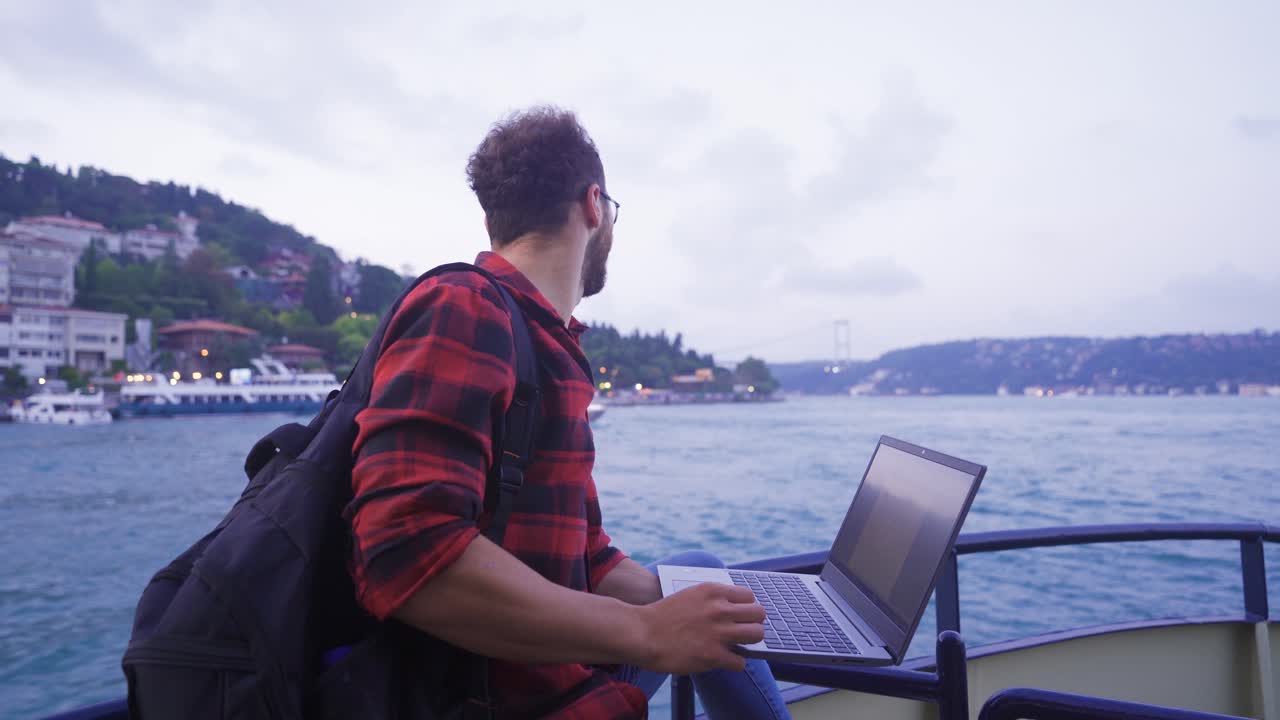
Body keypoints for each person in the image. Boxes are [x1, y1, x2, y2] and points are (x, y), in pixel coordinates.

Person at [347, 106, 792, 719]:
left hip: (554, 667)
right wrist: (647, 632)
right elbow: (403, 550)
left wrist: (693, 608)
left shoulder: (546, 345)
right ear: (593, 206)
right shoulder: (464, 307)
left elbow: (585, 555)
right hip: (507, 697)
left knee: (705, 576)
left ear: (493, 220)